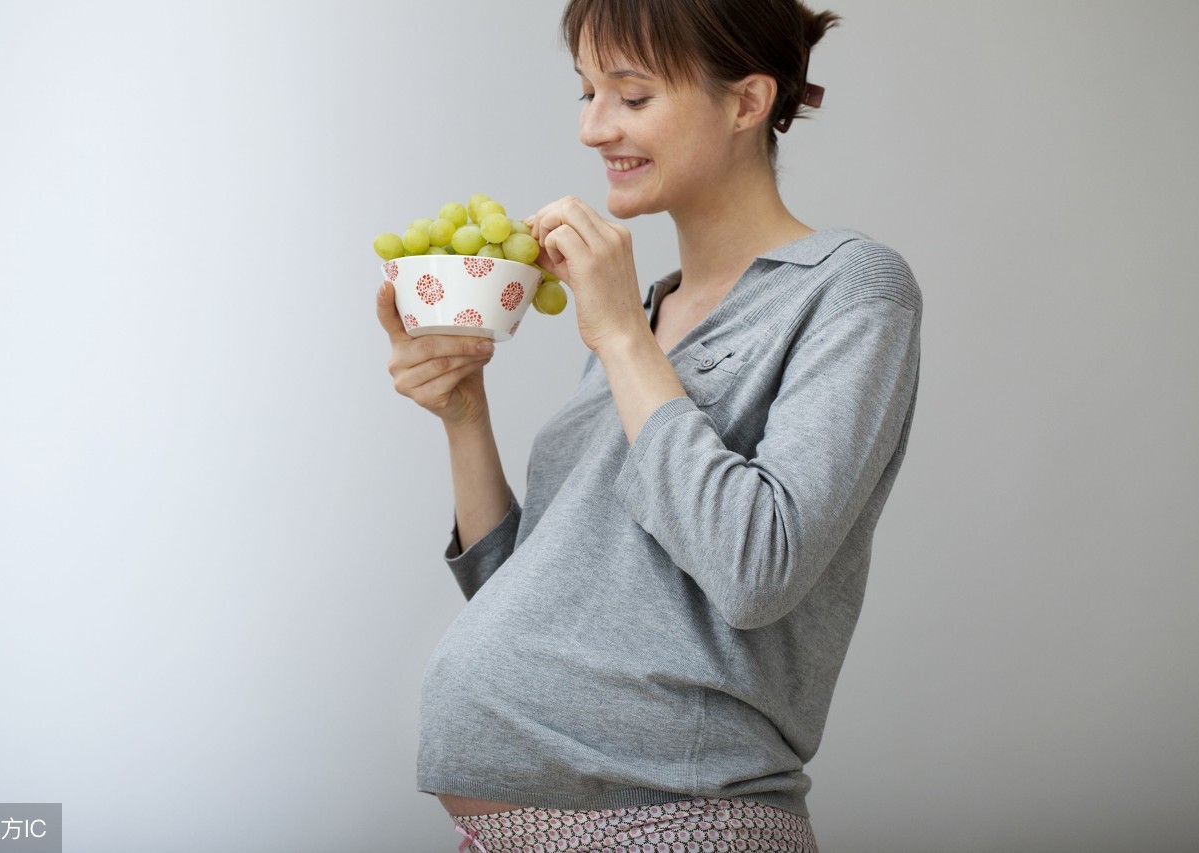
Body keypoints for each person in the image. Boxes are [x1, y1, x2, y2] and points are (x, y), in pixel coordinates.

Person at [375, 0, 922, 849]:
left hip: (677, 823)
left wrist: (621, 336)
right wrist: (463, 413)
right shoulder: (644, 314)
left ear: (746, 103)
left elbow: (755, 566)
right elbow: (529, 599)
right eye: (587, 93)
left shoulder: (847, 289)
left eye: (631, 97)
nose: (595, 128)